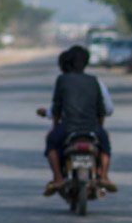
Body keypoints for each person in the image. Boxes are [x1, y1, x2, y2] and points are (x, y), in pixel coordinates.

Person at [38, 47, 116, 195]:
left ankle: (58, 178)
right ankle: (104, 176)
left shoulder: (62, 80)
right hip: (91, 128)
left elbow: (57, 108)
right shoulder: (94, 80)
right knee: (105, 144)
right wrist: (99, 128)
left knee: (51, 144)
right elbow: (101, 110)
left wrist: (54, 128)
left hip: (68, 127)